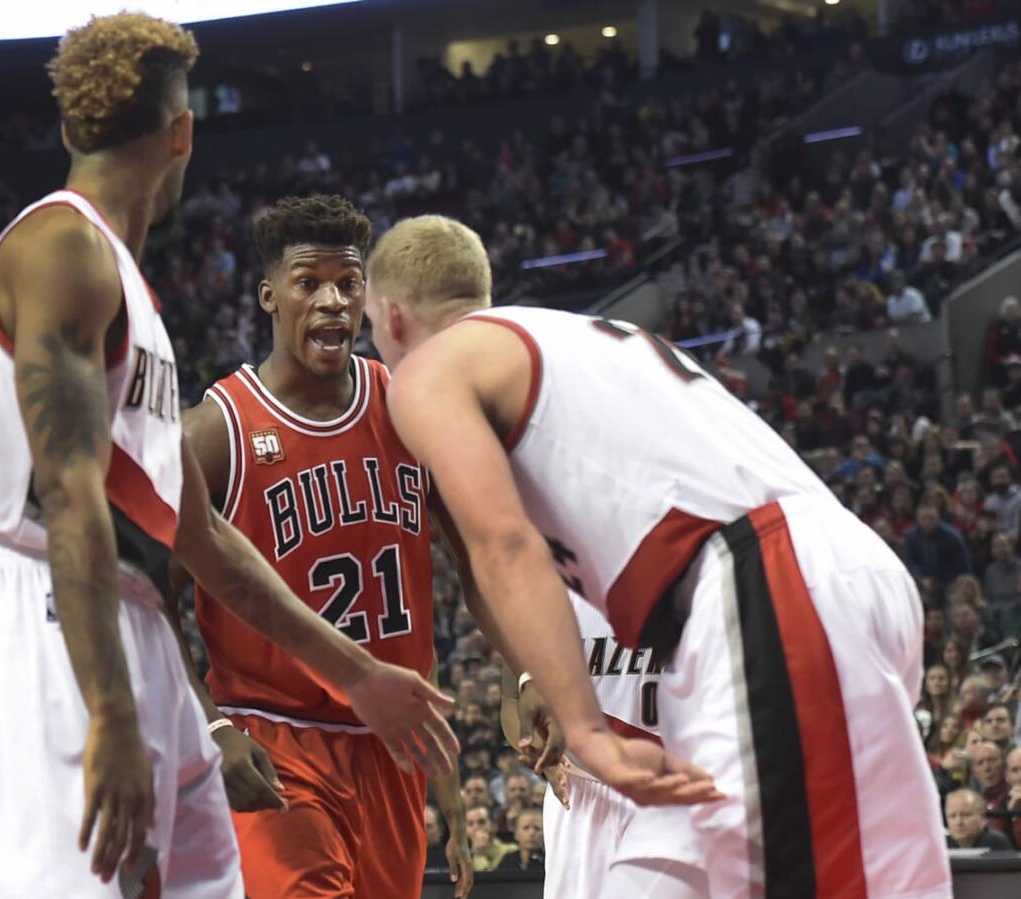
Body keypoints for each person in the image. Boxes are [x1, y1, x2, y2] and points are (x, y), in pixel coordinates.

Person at [0, 15, 455, 899]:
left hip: (126, 613)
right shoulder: (62, 247)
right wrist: (109, 712)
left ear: (70, 130)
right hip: (46, 611)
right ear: (183, 132)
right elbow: (68, 497)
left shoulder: (124, 278)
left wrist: (358, 674)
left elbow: (201, 535)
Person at [364, 214, 951, 897]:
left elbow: (502, 545)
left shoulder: (428, 370)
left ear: (393, 315)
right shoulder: (571, 338)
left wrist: (586, 729)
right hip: (840, 572)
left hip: (766, 584)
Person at [175, 195, 473, 898]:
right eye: (310, 283)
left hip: (391, 749)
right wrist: (209, 724)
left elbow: (451, 575)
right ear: (269, 295)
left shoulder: (407, 404)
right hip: (279, 738)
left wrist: (446, 781)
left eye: (348, 283)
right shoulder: (215, 430)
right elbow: (150, 594)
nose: (332, 300)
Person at [501, 591, 705, 899]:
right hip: (583, 789)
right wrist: (538, 750)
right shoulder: (550, 584)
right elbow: (511, 699)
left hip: (673, 785)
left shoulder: (697, 583)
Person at [945, 789, 1012, 850]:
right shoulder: (943, 843)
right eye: (952, 816)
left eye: (966, 815)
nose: (959, 822)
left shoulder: (996, 842)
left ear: (983, 818)